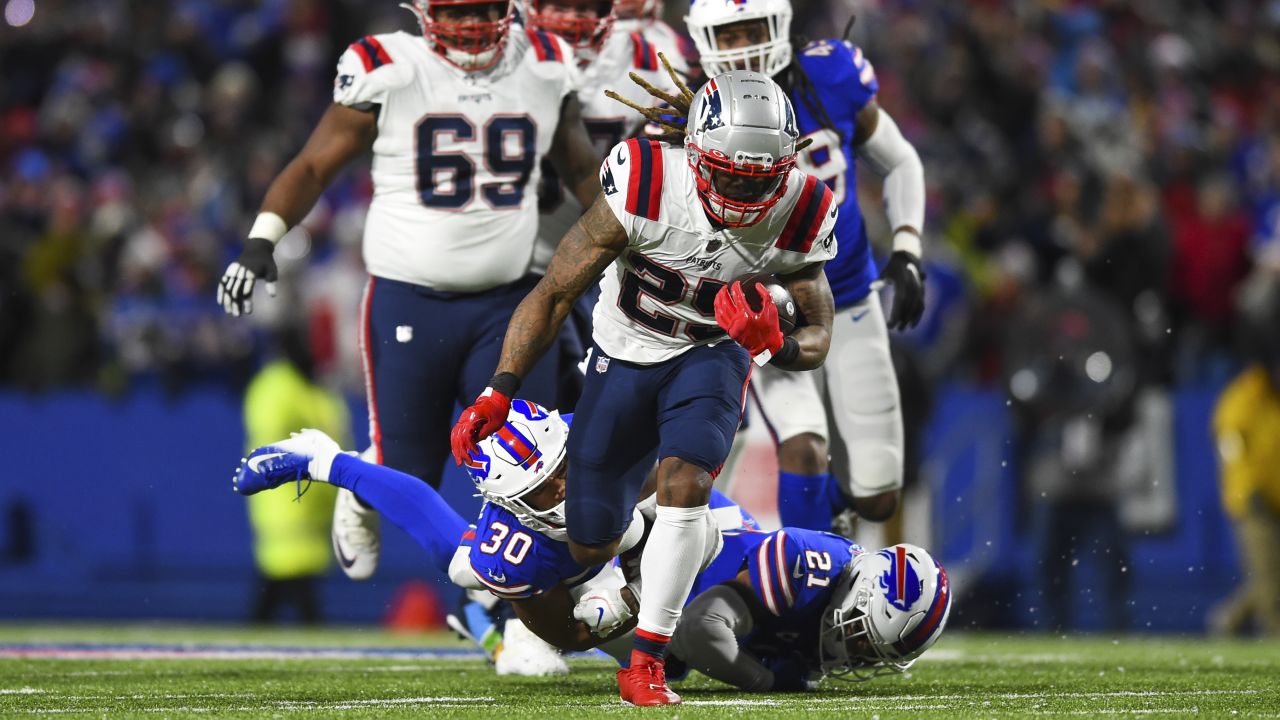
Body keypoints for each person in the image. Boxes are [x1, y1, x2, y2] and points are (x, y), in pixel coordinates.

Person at [450, 70, 840, 705]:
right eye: (728, 172)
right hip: (623, 354)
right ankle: (642, 567)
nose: (741, 190)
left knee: (686, 482)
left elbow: (819, 336)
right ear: (696, 153)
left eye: (758, 178)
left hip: (710, 353)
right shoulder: (647, 180)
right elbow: (553, 294)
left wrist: (775, 343)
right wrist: (500, 388)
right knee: (590, 538)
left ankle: (649, 660)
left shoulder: (805, 208)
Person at [214, 0, 602, 583]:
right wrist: (261, 239)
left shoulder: (546, 62)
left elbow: (580, 170)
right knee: (410, 467)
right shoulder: (387, 66)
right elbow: (316, 165)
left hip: (512, 300)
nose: (472, 25)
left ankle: (521, 615)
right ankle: (358, 481)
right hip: (409, 297)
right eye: (456, 11)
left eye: (486, 10)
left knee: (536, 463)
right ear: (424, 13)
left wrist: (630, 236)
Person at [232, 402, 951, 690]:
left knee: (607, 617)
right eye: (548, 487)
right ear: (517, 500)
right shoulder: (522, 529)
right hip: (670, 564)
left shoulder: (605, 461)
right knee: (494, 582)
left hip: (682, 548)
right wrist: (777, 679)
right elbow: (704, 627)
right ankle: (327, 461)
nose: (564, 490)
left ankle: (496, 616)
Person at [682, 0, 928, 530]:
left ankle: (820, 530)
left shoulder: (827, 75)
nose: (744, 47)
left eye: (753, 29)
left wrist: (907, 247)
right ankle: (802, 579)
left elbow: (900, 158)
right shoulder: (695, 110)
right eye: (728, 35)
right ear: (704, 41)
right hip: (771, 311)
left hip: (851, 295)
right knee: (803, 448)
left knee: (878, 497)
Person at [523, 0, 690, 410]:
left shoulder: (654, 59)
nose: (569, 19)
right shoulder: (509, 56)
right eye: (557, 5)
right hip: (523, 261)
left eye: (583, 6)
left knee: (614, 412)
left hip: (609, 259)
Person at [242, 326, 351, 624]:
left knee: (277, 596)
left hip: (310, 510)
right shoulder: (278, 386)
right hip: (287, 507)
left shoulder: (312, 389)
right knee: (296, 595)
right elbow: (274, 436)